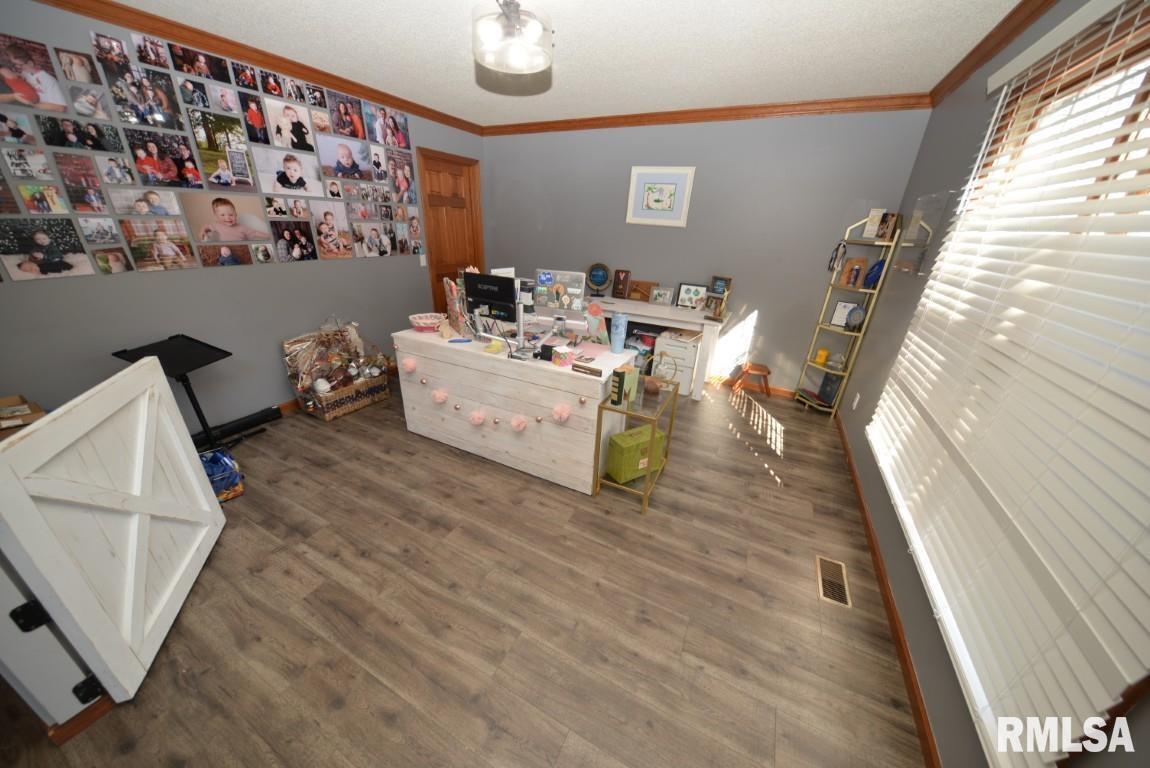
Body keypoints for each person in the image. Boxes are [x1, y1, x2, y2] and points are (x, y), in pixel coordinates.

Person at [4, 45, 65, 111]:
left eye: (19, 65)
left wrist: (31, 105)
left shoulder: (49, 80)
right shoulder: (23, 74)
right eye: (14, 64)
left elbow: (60, 108)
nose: (16, 67)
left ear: (30, 63)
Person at [198, 197, 267, 241]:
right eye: (222, 215)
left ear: (236, 215)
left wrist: (268, 235)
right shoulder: (216, 225)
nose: (227, 218)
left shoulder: (241, 227)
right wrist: (202, 231)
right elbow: (206, 226)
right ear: (216, 216)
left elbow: (255, 232)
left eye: (231, 215)